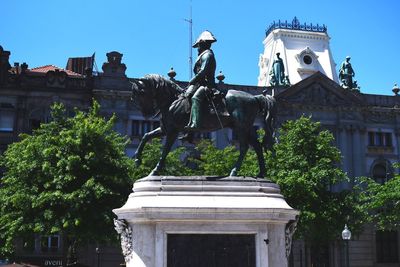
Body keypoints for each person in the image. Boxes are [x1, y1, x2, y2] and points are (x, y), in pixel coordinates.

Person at [184, 30, 217, 131]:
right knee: (186, 95)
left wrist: (192, 80)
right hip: (199, 84)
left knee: (195, 98)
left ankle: (195, 124)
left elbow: (203, 71)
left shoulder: (208, 55)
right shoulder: (203, 55)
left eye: (198, 45)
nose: (197, 48)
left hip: (207, 85)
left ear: (203, 44)